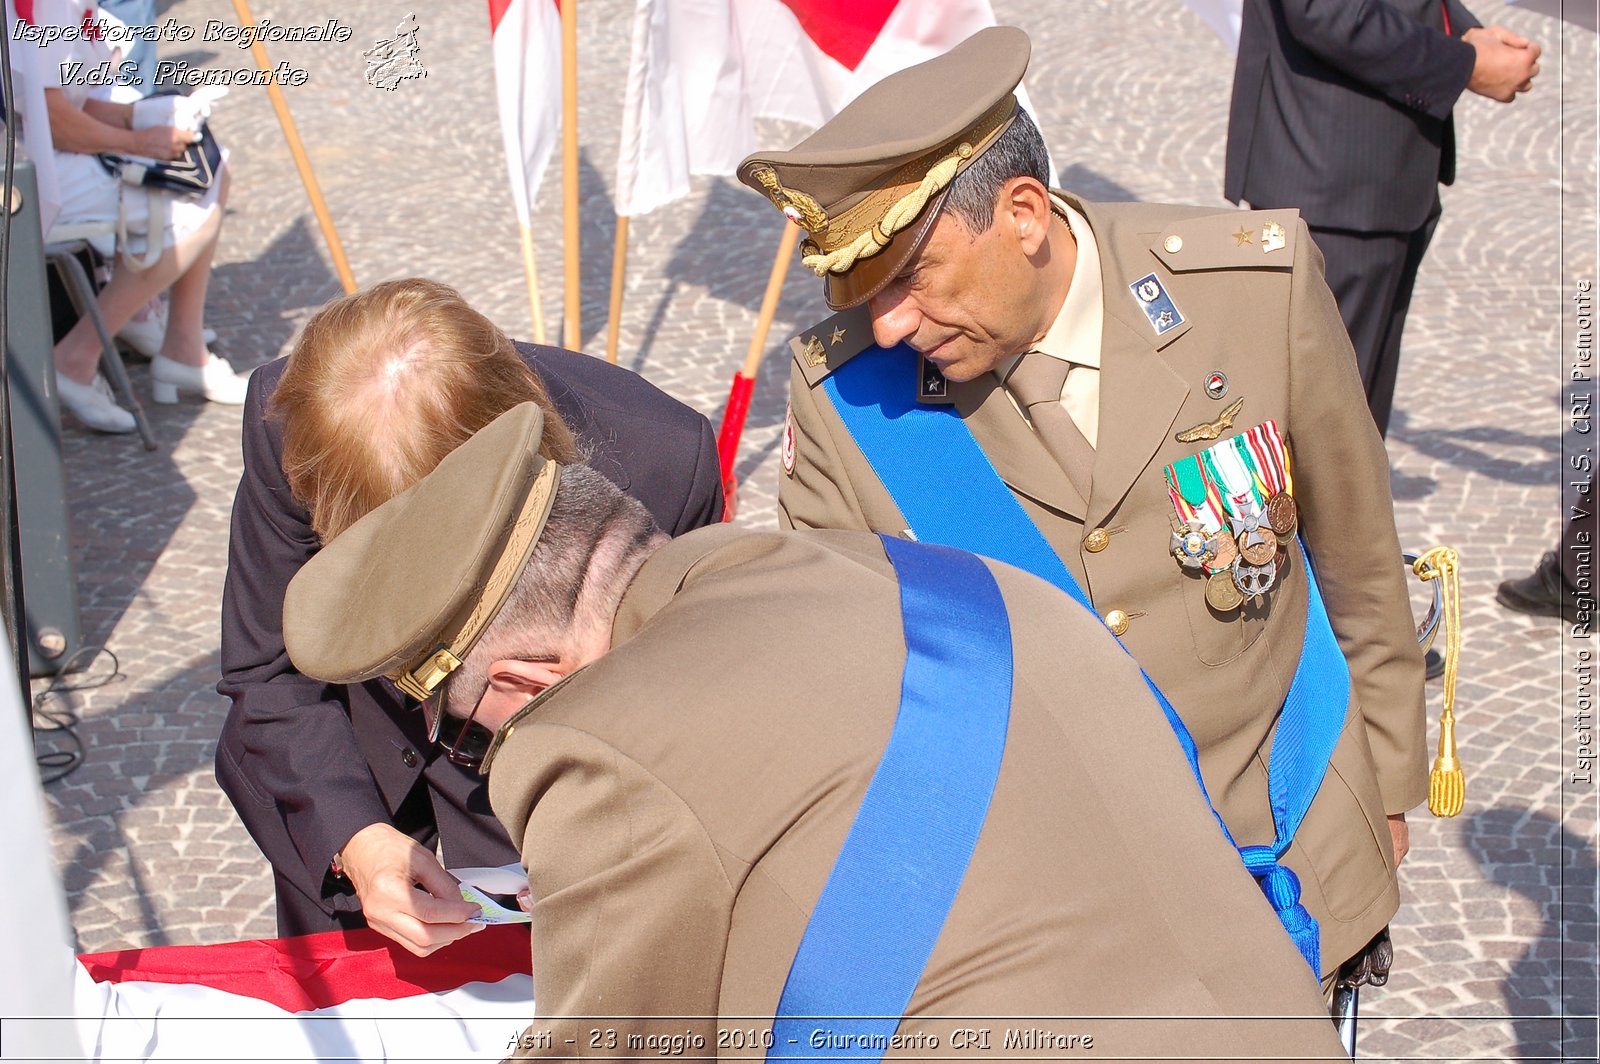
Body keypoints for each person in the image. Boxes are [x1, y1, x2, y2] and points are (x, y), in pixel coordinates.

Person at [281, 401, 1349, 1062]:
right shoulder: (940, 575)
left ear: (522, 676)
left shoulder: (602, 741)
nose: (488, 765)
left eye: (472, 739)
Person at [749, 26, 1422, 990]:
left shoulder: (1252, 285)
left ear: (1023, 214)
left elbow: (1356, 551)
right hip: (1051, 911)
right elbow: (845, 678)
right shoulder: (846, 398)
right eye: (863, 293)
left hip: (1288, 846)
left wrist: (1389, 786)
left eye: (908, 279)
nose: (888, 325)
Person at [216, 279, 724, 950]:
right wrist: (355, 839)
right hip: (354, 786)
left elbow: (676, 702)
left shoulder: (664, 458)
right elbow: (267, 672)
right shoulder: (297, 423)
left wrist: (602, 842)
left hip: (544, 823)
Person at [1224, 0, 1540, 437]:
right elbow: (1325, 11)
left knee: (1351, 437)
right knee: (1318, 438)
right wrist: (1464, 63)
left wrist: (1461, 32)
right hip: (1333, 181)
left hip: (1368, 178)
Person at [22, 0, 248, 433]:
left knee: (211, 169)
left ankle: (183, 346)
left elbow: (75, 101)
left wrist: (148, 117)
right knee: (183, 199)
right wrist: (140, 140)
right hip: (31, 164)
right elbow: (53, 118)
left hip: (50, 149)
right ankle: (78, 355)